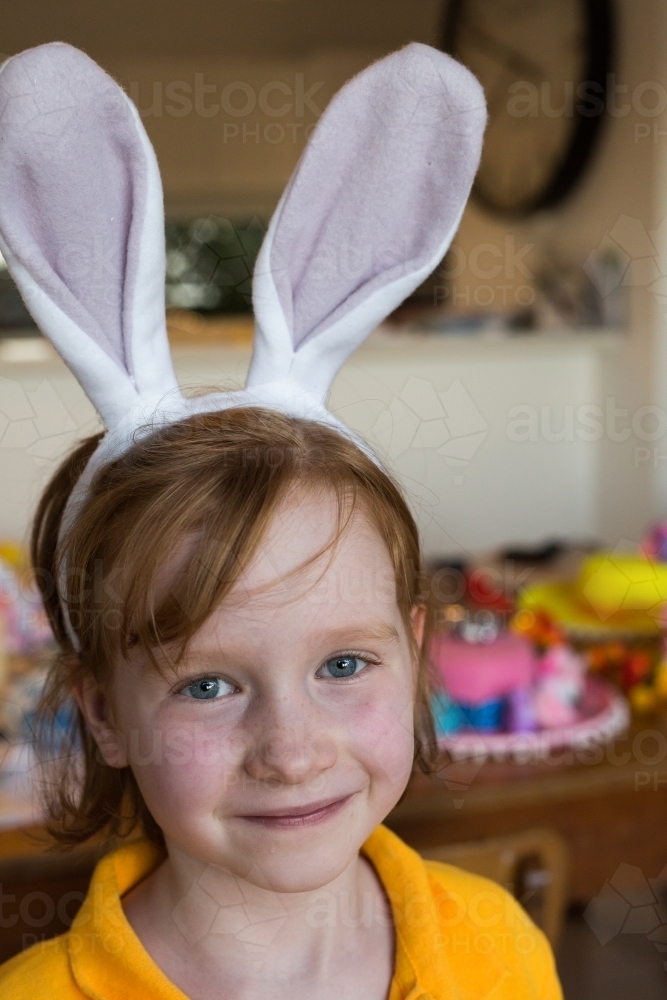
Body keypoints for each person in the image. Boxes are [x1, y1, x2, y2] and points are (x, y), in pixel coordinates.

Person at [0, 41, 562, 1000]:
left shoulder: (500, 947)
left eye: (343, 665)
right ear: (102, 714)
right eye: (207, 685)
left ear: (414, 652)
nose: (292, 753)